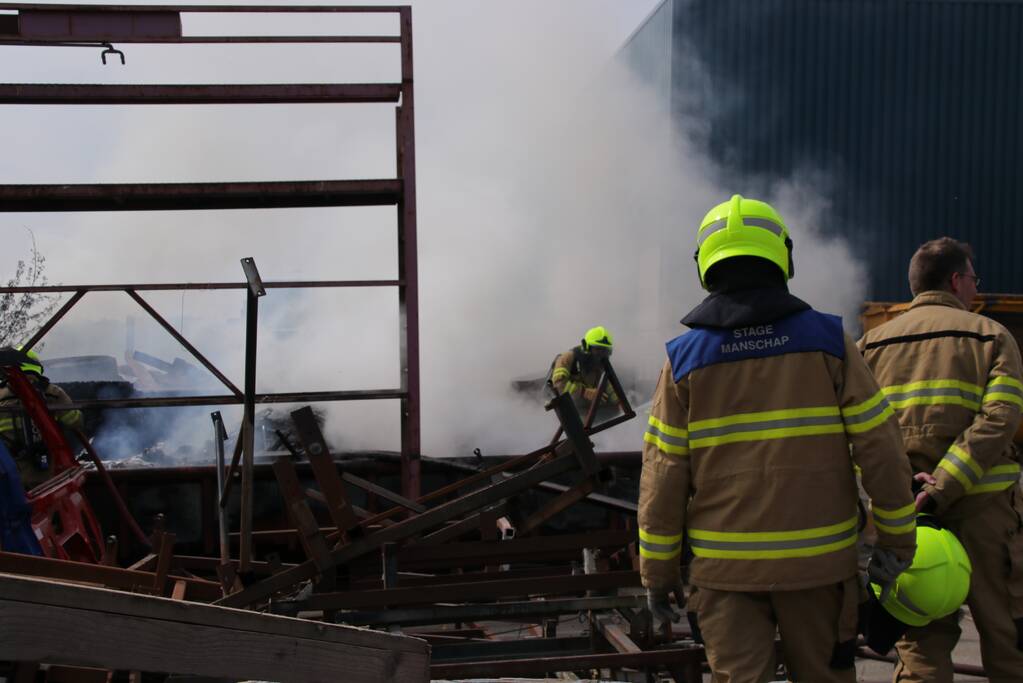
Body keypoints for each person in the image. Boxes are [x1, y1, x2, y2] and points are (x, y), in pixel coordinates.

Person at [638, 194, 917, 682]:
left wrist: (657, 574)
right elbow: (881, 448)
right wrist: (897, 542)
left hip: (725, 575)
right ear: (783, 258)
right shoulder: (829, 343)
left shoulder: (683, 361)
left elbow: (663, 476)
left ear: (705, 264)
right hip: (820, 569)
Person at [858, 237, 1023, 682]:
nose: (976, 288)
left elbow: (856, 434)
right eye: (974, 279)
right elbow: (1000, 419)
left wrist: (905, 491)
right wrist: (943, 485)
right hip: (985, 513)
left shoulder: (869, 346)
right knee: (1009, 641)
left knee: (921, 647)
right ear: (955, 280)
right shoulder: (991, 335)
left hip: (910, 521)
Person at [0, 346, 83, 490]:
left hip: (8, 474)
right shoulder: (51, 392)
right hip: (45, 475)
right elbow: (74, 421)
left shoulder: (1, 394)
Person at [548, 326, 618, 412]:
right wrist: (584, 392)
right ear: (586, 346)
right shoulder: (567, 358)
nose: (602, 354)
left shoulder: (599, 364)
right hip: (563, 409)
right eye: (598, 349)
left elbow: (607, 384)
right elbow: (559, 385)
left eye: (605, 350)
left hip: (587, 410)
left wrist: (619, 402)